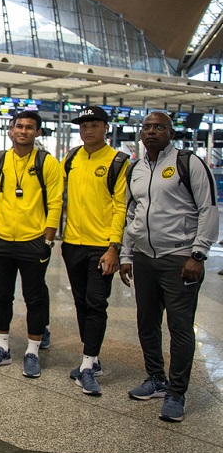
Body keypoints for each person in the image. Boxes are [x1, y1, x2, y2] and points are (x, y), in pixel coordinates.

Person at [120, 111, 218, 422]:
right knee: (147, 323)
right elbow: (131, 215)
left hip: (180, 257)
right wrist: (126, 254)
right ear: (140, 133)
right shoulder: (135, 169)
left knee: (179, 327)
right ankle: (156, 378)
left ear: (170, 132)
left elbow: (208, 209)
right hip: (144, 257)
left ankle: (177, 392)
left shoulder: (188, 163)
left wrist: (198, 254)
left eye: (159, 127)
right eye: (146, 127)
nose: (151, 132)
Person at [0, 110, 63, 377]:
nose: (24, 131)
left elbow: (55, 204)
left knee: (34, 297)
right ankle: (3, 348)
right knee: (1, 295)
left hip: (33, 241)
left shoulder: (47, 162)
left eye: (30, 127)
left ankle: (32, 351)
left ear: (37, 132)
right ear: (11, 130)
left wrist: (47, 240)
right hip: (0, 240)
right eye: (19, 127)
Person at [62, 106, 129, 395]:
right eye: (83, 124)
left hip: (101, 247)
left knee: (96, 302)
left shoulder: (118, 161)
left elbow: (121, 206)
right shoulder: (72, 158)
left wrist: (114, 246)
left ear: (105, 127)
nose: (88, 129)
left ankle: (87, 365)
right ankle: (93, 357)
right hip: (72, 244)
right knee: (81, 301)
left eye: (94, 124)